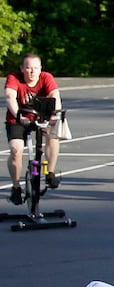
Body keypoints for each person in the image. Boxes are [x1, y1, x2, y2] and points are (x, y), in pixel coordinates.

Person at [4, 53, 62, 205]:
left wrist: (55, 114)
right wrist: (19, 116)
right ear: (22, 68)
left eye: (35, 68)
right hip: (19, 119)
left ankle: (50, 172)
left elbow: (54, 94)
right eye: (28, 68)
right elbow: (10, 96)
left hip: (40, 118)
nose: (32, 72)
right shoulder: (14, 78)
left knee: (53, 135)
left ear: (40, 68)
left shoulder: (46, 77)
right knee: (16, 150)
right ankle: (16, 187)